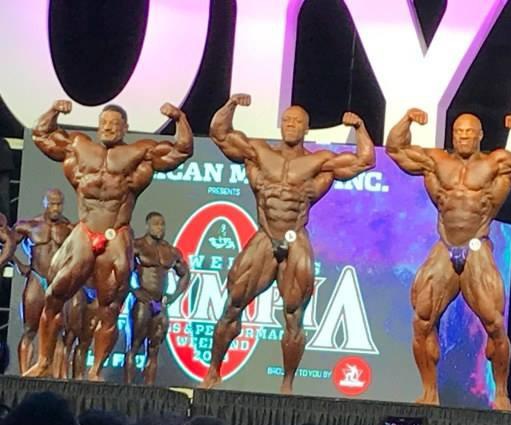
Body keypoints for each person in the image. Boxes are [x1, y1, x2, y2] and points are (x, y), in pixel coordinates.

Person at [200, 95, 375, 392]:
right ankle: (213, 372)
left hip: (295, 236)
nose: (291, 125)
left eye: (297, 122)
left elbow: (365, 160)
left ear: (306, 129)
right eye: (287, 120)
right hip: (265, 235)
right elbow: (220, 134)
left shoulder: (319, 161)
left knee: (294, 313)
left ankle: (287, 385)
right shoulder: (258, 151)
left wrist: (358, 127)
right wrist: (231, 105)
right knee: (233, 302)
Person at [386, 109, 511, 409]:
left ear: (479, 136)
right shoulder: (436, 161)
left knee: (494, 323)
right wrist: (407, 119)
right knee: (422, 319)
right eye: (458, 132)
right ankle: (429, 393)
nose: (463, 137)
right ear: (452, 135)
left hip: (477, 245)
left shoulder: (496, 163)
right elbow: (395, 149)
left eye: (469, 132)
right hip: (445, 245)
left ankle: (501, 394)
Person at [24, 100, 193, 380]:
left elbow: (182, 149)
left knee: (110, 307)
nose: (109, 128)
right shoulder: (79, 147)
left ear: (125, 128)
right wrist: (54, 111)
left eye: (115, 124)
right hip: (85, 229)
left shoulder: (138, 153)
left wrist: (179, 118)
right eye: (104, 123)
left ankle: (95, 370)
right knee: (54, 295)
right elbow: (41, 135)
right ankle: (43, 362)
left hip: (117, 231)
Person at [12, 189, 79, 375]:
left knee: (59, 333)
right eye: (52, 203)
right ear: (44, 203)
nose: (55, 208)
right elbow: (6, 243)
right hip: (37, 280)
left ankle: (55, 378)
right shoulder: (29, 226)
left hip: (58, 283)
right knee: (29, 330)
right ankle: (24, 377)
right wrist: (19, 264)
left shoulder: (69, 229)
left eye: (59, 204)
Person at [124, 211, 190, 384]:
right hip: (142, 301)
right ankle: (128, 387)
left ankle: (149, 389)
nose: (160, 228)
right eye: (156, 224)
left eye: (162, 224)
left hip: (160, 303)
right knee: (134, 346)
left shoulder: (170, 251)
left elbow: (185, 274)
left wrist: (174, 296)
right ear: (148, 226)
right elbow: (121, 269)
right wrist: (134, 290)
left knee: (154, 349)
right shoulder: (137, 246)